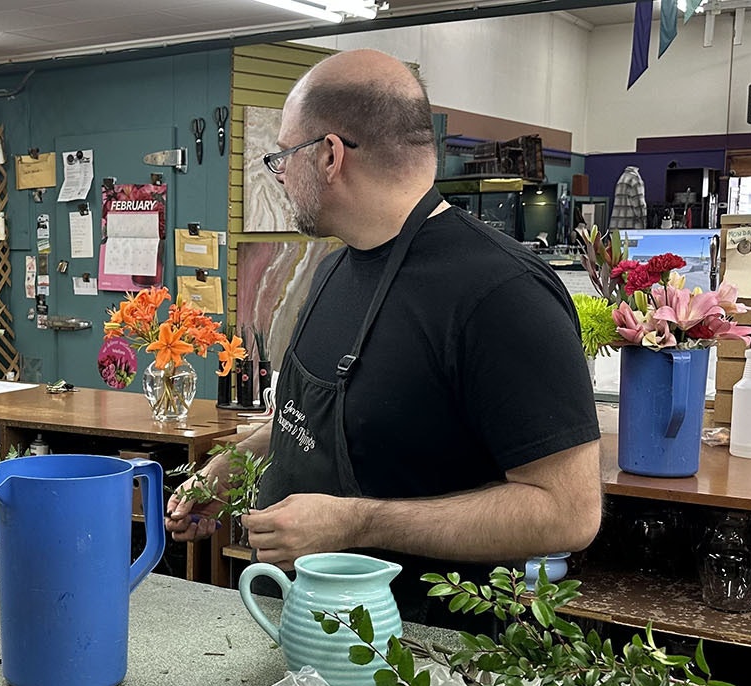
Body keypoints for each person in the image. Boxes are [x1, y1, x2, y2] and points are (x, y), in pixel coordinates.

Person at [167, 50, 601, 618]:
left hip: (423, 663)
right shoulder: (332, 270)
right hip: (297, 620)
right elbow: (315, 422)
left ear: (328, 155)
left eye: (281, 157)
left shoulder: (501, 293)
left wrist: (357, 520)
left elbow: (568, 512)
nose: (279, 176)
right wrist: (233, 463)